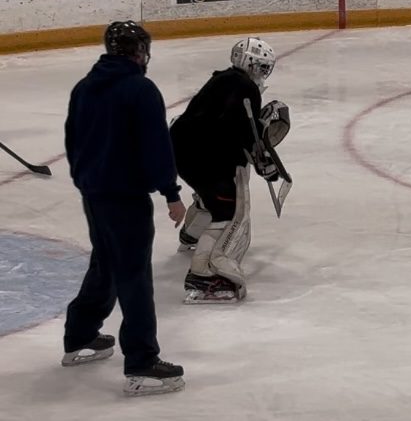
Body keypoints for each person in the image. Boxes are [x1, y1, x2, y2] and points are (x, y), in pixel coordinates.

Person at [63, 20, 187, 396]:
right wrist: (171, 193)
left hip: (94, 194)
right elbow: (157, 147)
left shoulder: (84, 87)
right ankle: (142, 361)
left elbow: (72, 141)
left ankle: (80, 335)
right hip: (126, 198)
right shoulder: (141, 89)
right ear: (139, 52)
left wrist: (87, 181)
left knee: (106, 263)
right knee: (133, 274)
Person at [169, 37, 289, 304]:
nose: (263, 73)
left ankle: (193, 232)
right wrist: (263, 161)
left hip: (185, 151)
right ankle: (205, 276)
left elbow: (226, 126)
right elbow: (238, 130)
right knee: (231, 211)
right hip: (202, 157)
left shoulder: (225, 79)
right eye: (261, 66)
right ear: (250, 63)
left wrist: (258, 149)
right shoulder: (245, 87)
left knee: (212, 192)